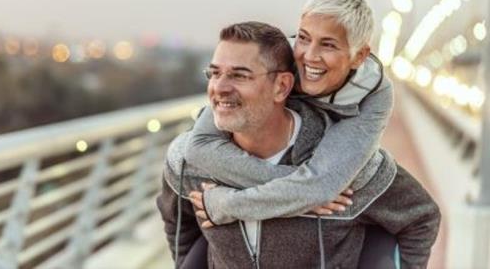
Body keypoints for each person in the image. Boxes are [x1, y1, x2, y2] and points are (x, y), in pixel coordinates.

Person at [156, 19, 440, 268]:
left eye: (240, 75)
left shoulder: (348, 168)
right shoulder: (188, 165)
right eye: (215, 73)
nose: (219, 88)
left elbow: (421, 218)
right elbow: (180, 230)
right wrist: (306, 194)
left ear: (281, 86)